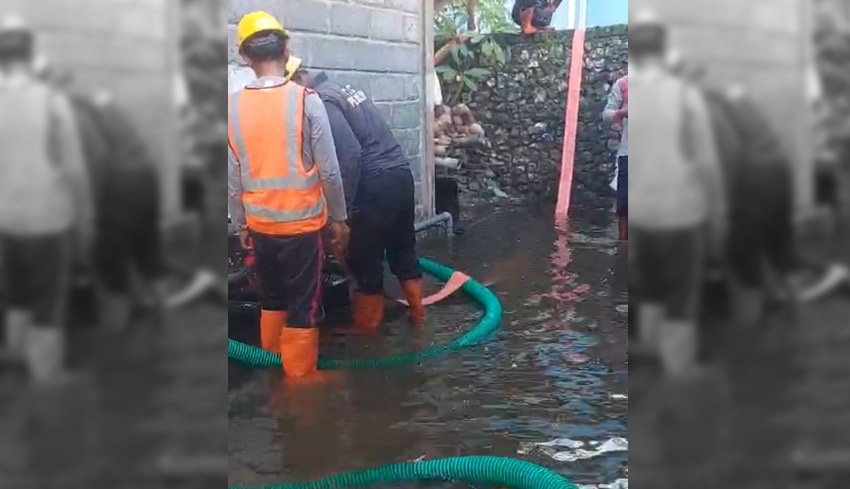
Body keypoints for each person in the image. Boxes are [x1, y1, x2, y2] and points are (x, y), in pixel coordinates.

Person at [228, 11, 349, 379]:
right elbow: (328, 169)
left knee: (272, 298)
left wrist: (240, 224)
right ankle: (300, 388)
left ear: (246, 57)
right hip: (301, 226)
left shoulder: (230, 107)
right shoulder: (305, 100)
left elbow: (233, 176)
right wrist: (339, 219)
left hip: (261, 226)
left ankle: (274, 371)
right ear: (286, 49)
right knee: (303, 306)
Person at [288, 60, 427, 331]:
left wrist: (343, 212)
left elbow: (350, 153)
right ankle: (420, 322)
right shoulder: (341, 89)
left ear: (299, 78)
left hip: (372, 187)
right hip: (399, 176)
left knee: (365, 268)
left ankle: (368, 346)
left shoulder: (321, 101)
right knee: (403, 251)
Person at [628, 11, 726, 379]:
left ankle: (651, 352)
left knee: (650, 286)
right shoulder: (684, 96)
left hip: (644, 211)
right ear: (663, 50)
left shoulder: (629, 98)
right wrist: (719, 212)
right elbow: (708, 160)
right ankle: (678, 370)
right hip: (681, 210)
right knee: (680, 294)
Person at [0, 16, 93, 383]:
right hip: (47, 220)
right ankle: (46, 375)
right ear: (29, 52)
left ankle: (17, 355)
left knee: (16, 292)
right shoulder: (51, 103)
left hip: (5, 219)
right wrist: (85, 218)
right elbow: (74, 168)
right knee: (46, 299)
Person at [603, 74, 628, 240]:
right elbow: (606, 115)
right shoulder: (624, 84)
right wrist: (621, 113)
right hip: (629, 153)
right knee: (625, 206)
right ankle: (623, 247)